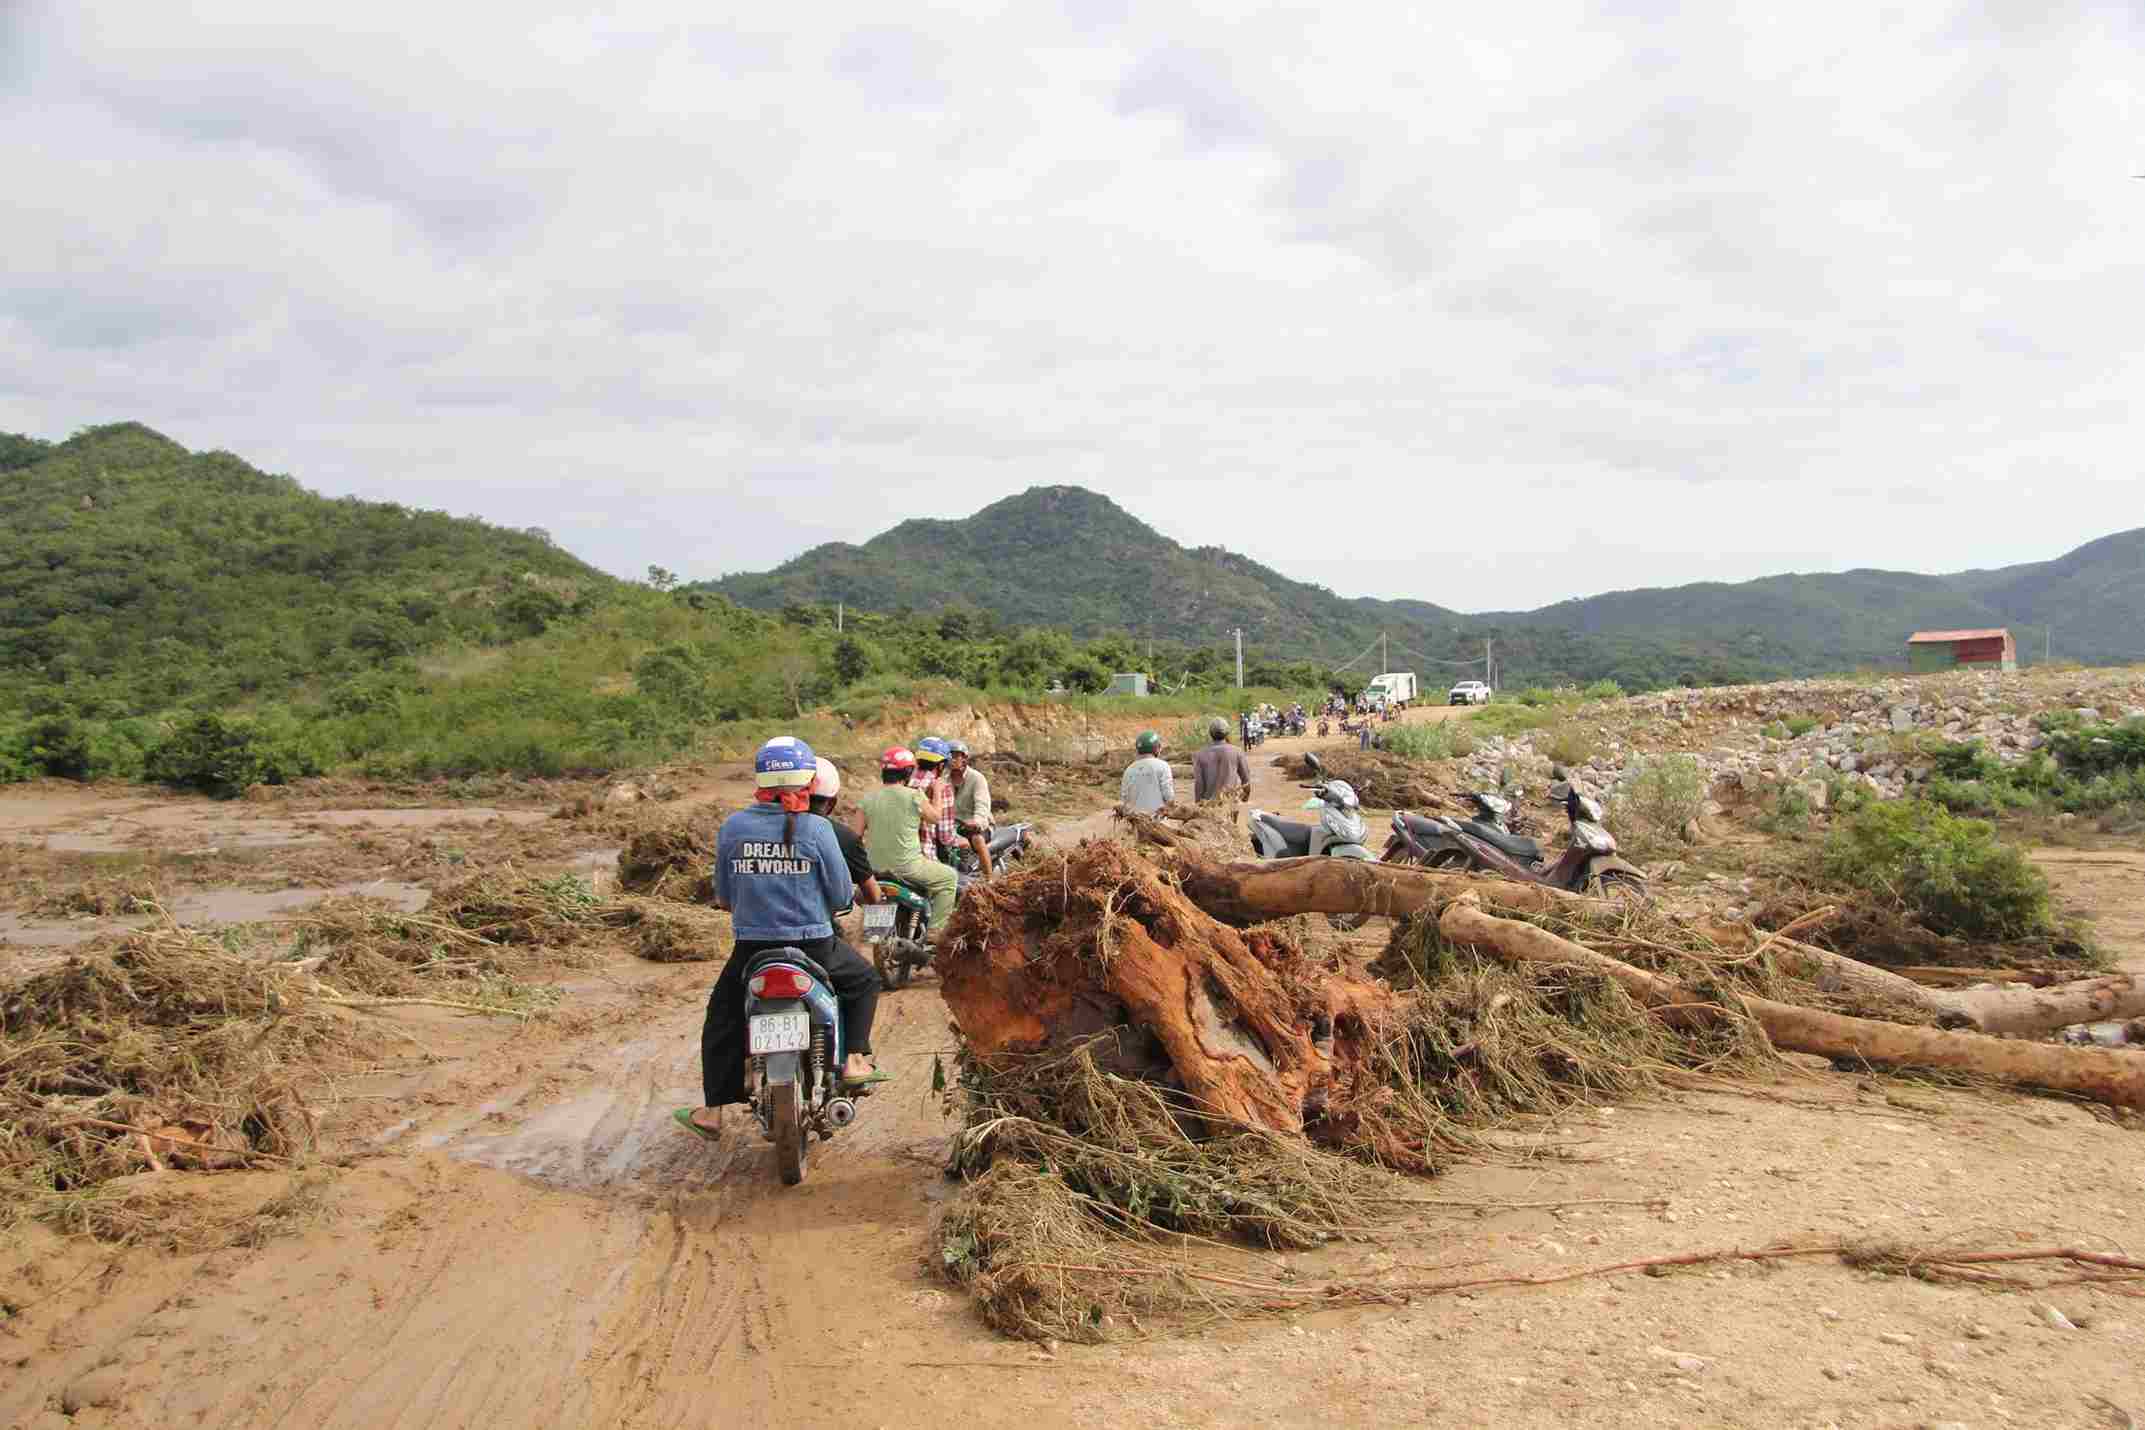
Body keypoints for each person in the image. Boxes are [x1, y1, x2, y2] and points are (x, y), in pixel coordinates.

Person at [676, 737, 885, 1146]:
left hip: (752, 950)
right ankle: (856, 1061)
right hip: (815, 946)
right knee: (863, 982)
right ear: (807, 780)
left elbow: (723, 896)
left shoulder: (733, 827)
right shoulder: (818, 828)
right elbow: (843, 896)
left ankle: (713, 1110)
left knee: (722, 1017)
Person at [856, 746, 959, 935]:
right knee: (949, 878)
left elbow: (855, 837)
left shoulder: (867, 800)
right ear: (908, 772)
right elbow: (935, 817)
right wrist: (937, 790)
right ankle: (936, 931)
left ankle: (877, 932)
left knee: (873, 937)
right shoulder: (914, 795)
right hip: (909, 867)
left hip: (875, 869)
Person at [946, 739, 994, 879]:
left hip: (978, 825)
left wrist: (977, 821)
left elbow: (982, 805)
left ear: (965, 758)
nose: (952, 759)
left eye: (956, 756)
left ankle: (989, 880)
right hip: (954, 826)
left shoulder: (977, 778)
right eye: (949, 756)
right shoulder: (943, 779)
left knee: (977, 839)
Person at [911, 736, 959, 864]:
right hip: (924, 857)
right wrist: (959, 840)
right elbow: (945, 836)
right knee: (958, 880)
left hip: (900, 854)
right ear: (941, 765)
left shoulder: (905, 781)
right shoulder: (942, 787)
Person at [1192, 717, 1252, 803]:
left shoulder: (1200, 755)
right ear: (1227, 733)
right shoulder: (1236, 751)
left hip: (1208, 805)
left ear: (1210, 733)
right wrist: (1246, 797)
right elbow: (1246, 780)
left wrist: (1198, 804)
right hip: (1229, 803)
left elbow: (1199, 784)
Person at [1119, 730, 1173, 814]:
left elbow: (1124, 799)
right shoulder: (1163, 766)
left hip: (1135, 820)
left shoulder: (1129, 769)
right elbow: (1169, 796)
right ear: (1156, 748)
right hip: (1157, 820)